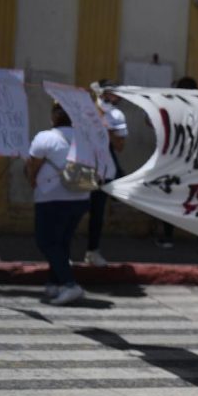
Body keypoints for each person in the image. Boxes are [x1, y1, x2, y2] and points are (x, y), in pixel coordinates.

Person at [23, 102, 91, 305]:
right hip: (80, 196)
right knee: (61, 242)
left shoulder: (45, 137)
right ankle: (54, 284)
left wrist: (32, 180)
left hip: (51, 197)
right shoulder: (84, 138)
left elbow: (33, 164)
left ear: (54, 117)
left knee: (46, 241)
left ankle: (70, 285)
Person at [84, 80, 128, 266]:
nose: (116, 97)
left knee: (97, 210)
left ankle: (93, 250)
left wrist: (106, 130)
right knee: (72, 209)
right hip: (83, 162)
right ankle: (63, 252)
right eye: (112, 93)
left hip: (103, 167)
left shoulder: (117, 115)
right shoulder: (85, 108)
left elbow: (120, 146)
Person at [155, 76, 198, 249]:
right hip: (195, 161)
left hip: (172, 160)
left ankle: (168, 237)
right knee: (195, 199)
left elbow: (152, 122)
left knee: (169, 198)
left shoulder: (171, 106)